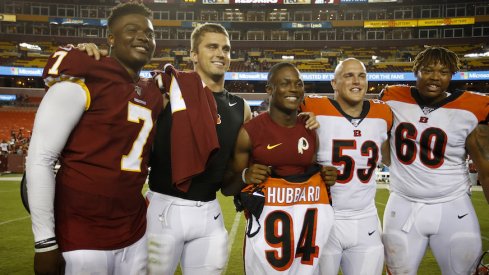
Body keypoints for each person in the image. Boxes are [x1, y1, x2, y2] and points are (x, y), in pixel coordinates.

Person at [77, 23, 320, 275]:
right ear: (193, 54)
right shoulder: (168, 90)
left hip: (209, 213)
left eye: (225, 48)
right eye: (212, 47)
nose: (220, 54)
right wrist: (91, 59)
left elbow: (255, 155)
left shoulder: (241, 107)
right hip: (162, 209)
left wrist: (301, 119)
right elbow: (121, 93)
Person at [26, 2, 162, 275]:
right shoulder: (84, 75)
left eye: (149, 33)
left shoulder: (152, 91)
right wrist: (44, 243)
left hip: (134, 230)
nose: (143, 38)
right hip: (82, 230)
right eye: (131, 30)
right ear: (110, 38)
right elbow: (40, 159)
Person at [380, 46, 489, 275]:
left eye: (444, 72)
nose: (435, 78)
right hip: (403, 204)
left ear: (452, 75)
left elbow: (486, 169)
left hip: (453, 205)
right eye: (428, 70)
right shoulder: (392, 96)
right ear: (415, 70)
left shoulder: (471, 107)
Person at [222, 62, 337, 274]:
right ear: (269, 90)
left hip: (303, 244)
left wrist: (324, 174)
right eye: (285, 83)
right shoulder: (250, 132)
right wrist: (246, 176)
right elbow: (227, 188)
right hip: (265, 244)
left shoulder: (310, 131)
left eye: (299, 83)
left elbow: (308, 176)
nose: (294, 89)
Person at [301, 58, 392, 275]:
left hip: (366, 217)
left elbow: (390, 156)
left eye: (361, 75)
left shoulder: (383, 113)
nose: (356, 81)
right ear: (333, 83)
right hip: (322, 216)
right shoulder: (312, 106)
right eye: (348, 75)